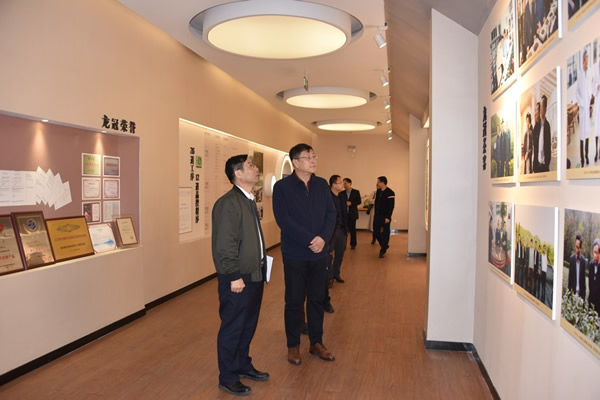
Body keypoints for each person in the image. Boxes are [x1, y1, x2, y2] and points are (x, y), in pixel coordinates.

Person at [273, 143, 336, 366]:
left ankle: (316, 342)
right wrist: (311, 240)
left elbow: (331, 214)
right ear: (296, 162)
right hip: (295, 254)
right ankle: (293, 345)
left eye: (314, 156)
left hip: (319, 254)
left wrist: (323, 238)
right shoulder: (282, 187)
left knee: (317, 299)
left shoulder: (321, 184)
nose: (313, 160)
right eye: (308, 157)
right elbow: (284, 220)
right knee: (294, 300)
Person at [212, 154, 269, 396]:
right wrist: (234, 275)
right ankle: (227, 377)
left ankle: (242, 364)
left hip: (254, 274)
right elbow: (225, 245)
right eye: (250, 166)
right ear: (237, 173)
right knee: (233, 327)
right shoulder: (229, 203)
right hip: (238, 278)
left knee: (247, 325)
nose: (256, 169)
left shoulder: (248, 200)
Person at [576, 48, 593, 167]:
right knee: (582, 135)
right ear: (584, 59)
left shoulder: (589, 72)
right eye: (587, 58)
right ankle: (582, 158)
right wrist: (582, 104)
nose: (588, 60)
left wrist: (590, 97)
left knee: (587, 133)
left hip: (587, 108)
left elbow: (590, 87)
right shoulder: (580, 74)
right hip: (582, 109)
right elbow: (577, 92)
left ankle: (587, 155)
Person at [329, 175, 348, 284]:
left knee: (340, 253)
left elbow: (344, 214)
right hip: (331, 230)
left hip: (341, 229)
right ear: (333, 185)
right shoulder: (327, 197)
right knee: (329, 255)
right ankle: (329, 277)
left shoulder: (342, 196)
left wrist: (346, 231)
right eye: (340, 182)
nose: (342, 184)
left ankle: (336, 273)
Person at [373, 176, 395, 258]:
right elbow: (376, 203)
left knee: (385, 233)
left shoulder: (390, 192)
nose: (377, 183)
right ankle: (384, 245)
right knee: (376, 232)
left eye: (378, 182)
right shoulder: (378, 191)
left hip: (385, 216)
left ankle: (382, 250)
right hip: (377, 215)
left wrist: (388, 217)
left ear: (382, 182)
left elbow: (391, 206)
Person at [343, 177, 361, 249]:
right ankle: (343, 245)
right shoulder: (341, 193)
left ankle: (353, 244)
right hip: (344, 214)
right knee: (344, 231)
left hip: (352, 214)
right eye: (343, 183)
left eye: (345, 183)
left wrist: (351, 203)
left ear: (350, 183)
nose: (344, 185)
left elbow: (359, 201)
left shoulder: (356, 192)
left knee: (352, 230)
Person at [568, 233, 587, 299]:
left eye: (578, 248)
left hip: (580, 296)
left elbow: (583, 282)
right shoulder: (571, 259)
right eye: (576, 247)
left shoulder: (583, 261)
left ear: (581, 248)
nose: (577, 250)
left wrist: (583, 298)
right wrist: (569, 296)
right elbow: (569, 280)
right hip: (572, 294)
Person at [588, 239, 600, 313]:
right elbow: (590, 285)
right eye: (594, 252)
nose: (595, 255)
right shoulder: (591, 265)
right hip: (590, 303)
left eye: (597, 253)